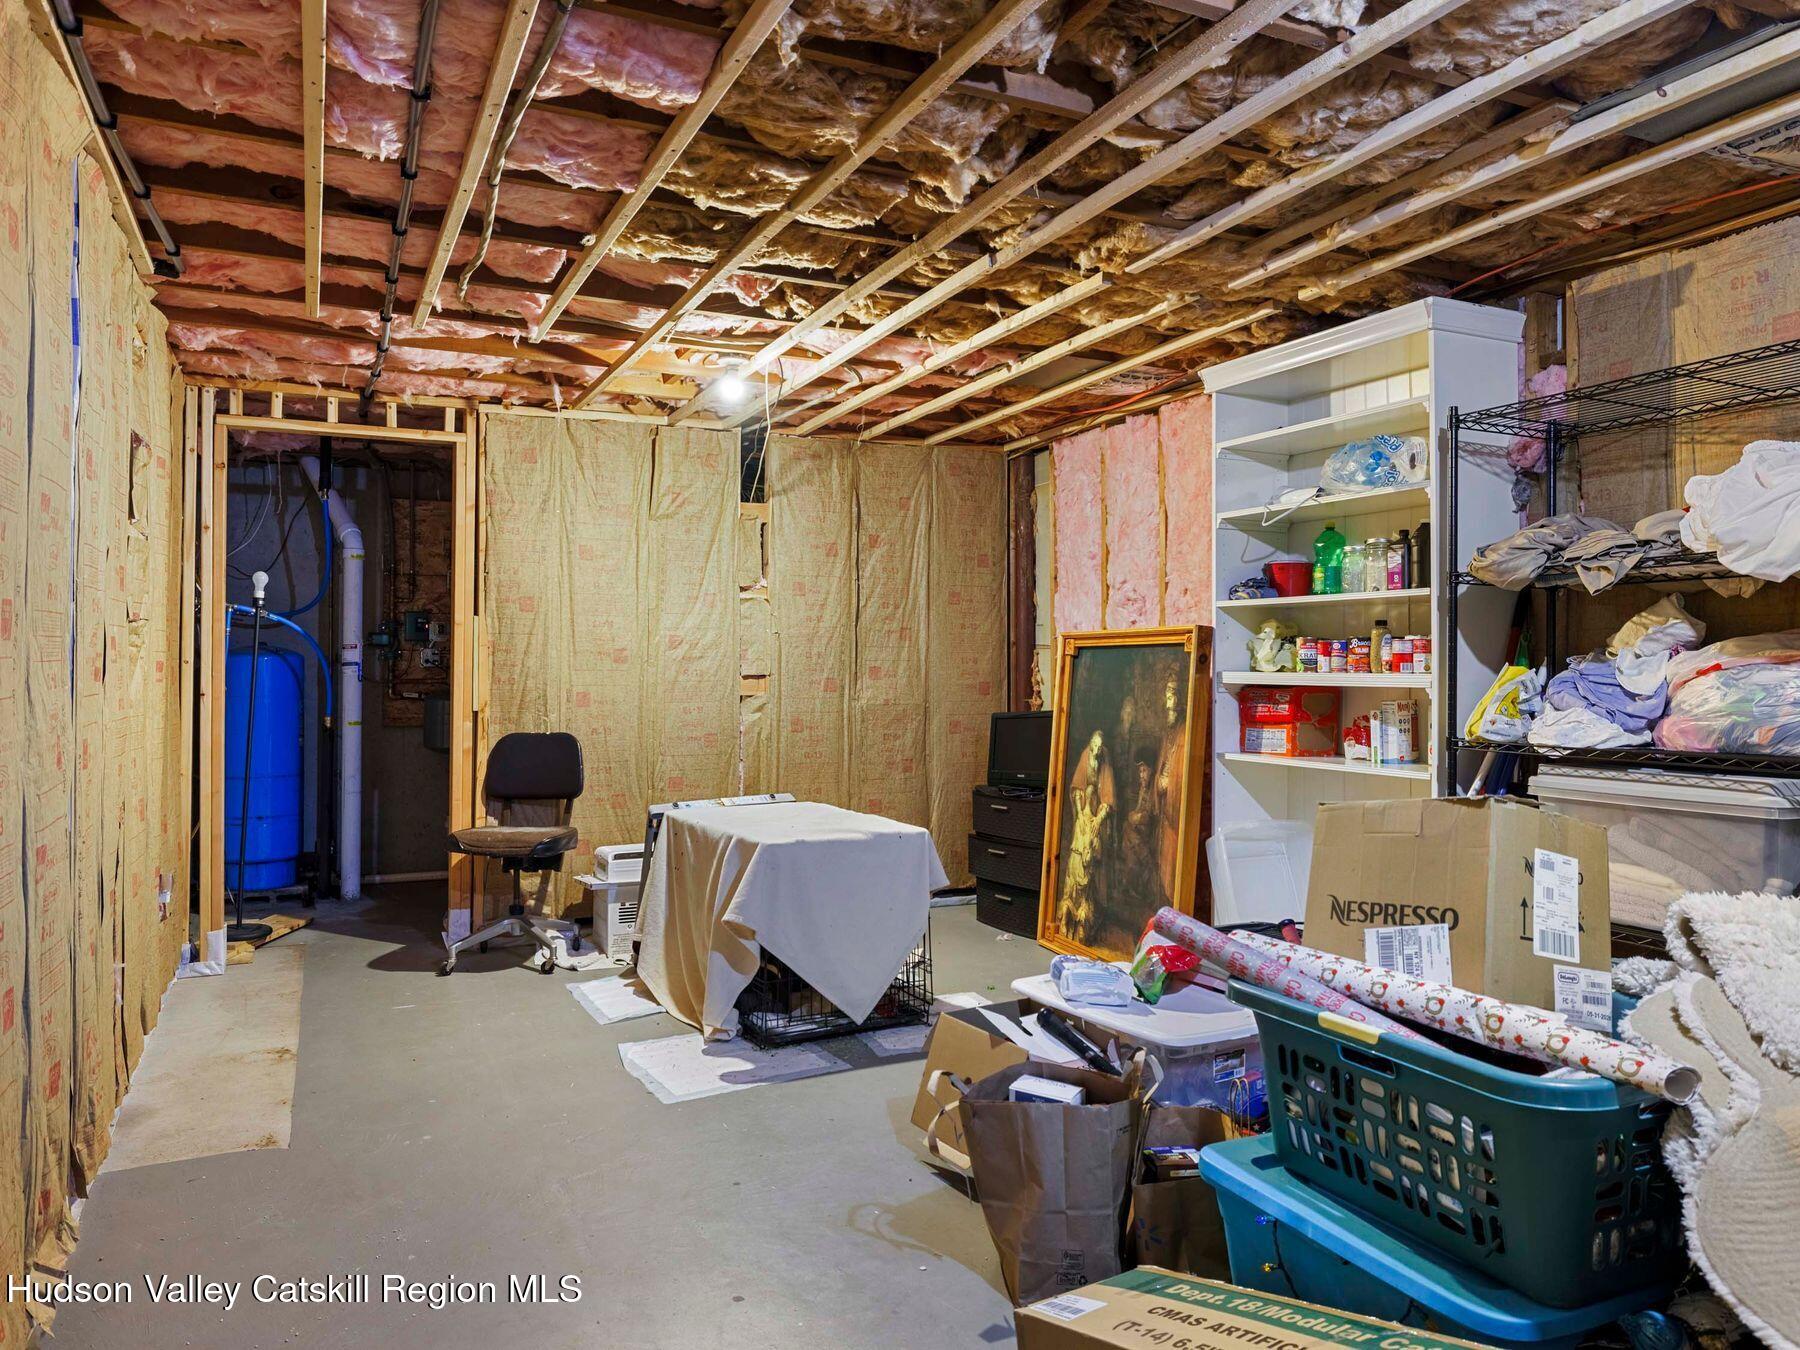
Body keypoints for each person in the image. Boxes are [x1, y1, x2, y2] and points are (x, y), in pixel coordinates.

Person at [1153, 675, 1187, 899]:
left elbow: (1180, 771)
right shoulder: (1169, 733)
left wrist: (1168, 782)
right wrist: (1159, 781)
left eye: (1172, 696)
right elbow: (1163, 765)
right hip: (1165, 810)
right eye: (1166, 697)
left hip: (1176, 813)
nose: (1168, 704)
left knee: (1174, 862)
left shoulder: (1184, 733)